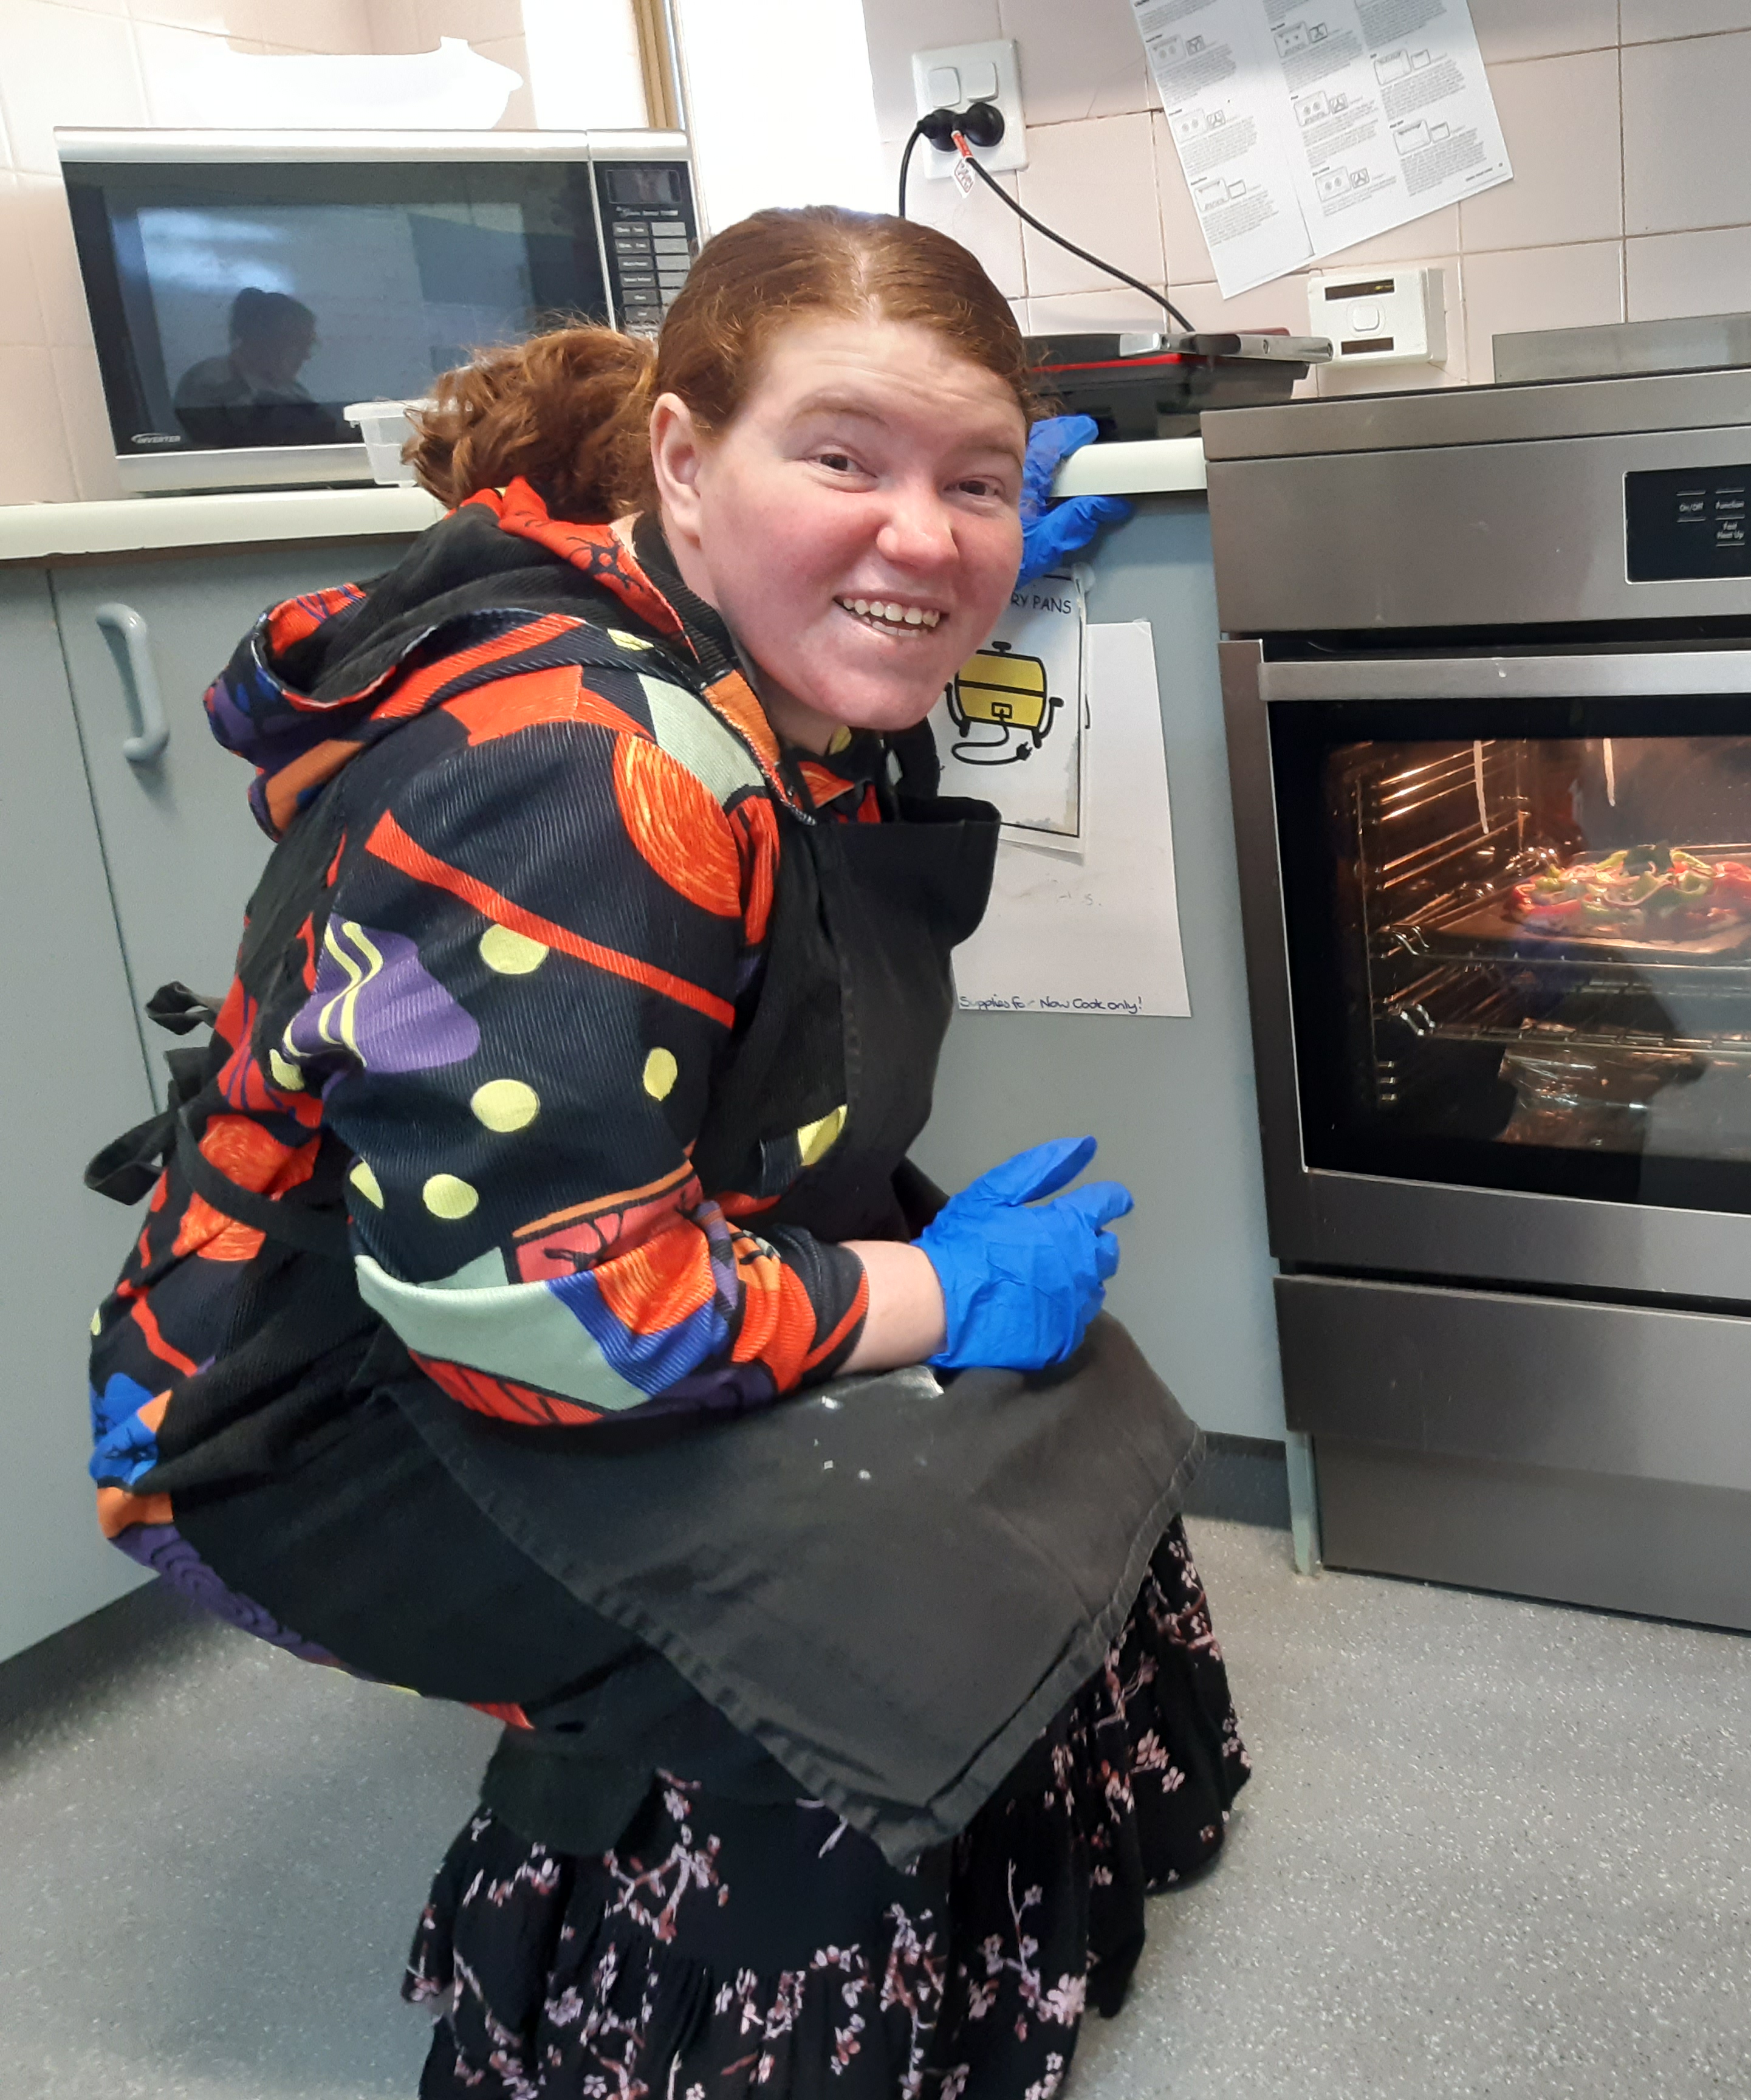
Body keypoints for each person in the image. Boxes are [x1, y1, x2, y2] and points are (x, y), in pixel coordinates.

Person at [82, 206, 1241, 2098]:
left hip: (528, 1268)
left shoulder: (704, 639)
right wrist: (929, 1293)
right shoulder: (578, 777)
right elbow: (540, 1318)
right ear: (686, 466)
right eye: (843, 460)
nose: (930, 533)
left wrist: (924, 563)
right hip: (321, 1413)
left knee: (1050, 1421)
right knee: (868, 1628)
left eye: (978, 482)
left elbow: (853, 612)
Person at [172, 286, 335, 448]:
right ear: (262, 339)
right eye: (298, 344)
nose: (306, 355)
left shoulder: (292, 390)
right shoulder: (209, 382)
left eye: (309, 345)